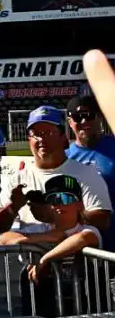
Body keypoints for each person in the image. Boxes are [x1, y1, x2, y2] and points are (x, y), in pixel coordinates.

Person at [0, 105, 112, 236]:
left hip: (72, 254)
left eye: (49, 133)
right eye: (35, 134)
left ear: (63, 138)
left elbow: (102, 220)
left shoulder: (85, 174)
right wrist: (12, 208)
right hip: (31, 255)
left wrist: (55, 215)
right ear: (28, 140)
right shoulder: (19, 178)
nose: (41, 139)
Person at [0, 174, 101, 318]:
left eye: (67, 198)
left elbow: (83, 238)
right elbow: (2, 240)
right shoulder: (41, 229)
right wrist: (48, 237)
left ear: (79, 204)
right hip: (42, 306)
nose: (59, 204)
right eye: (53, 199)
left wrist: (44, 260)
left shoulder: (88, 230)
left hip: (83, 307)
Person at [65, 93, 115, 249]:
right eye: (77, 117)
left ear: (99, 117)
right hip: (86, 242)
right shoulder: (65, 157)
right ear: (70, 122)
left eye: (89, 115)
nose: (84, 121)